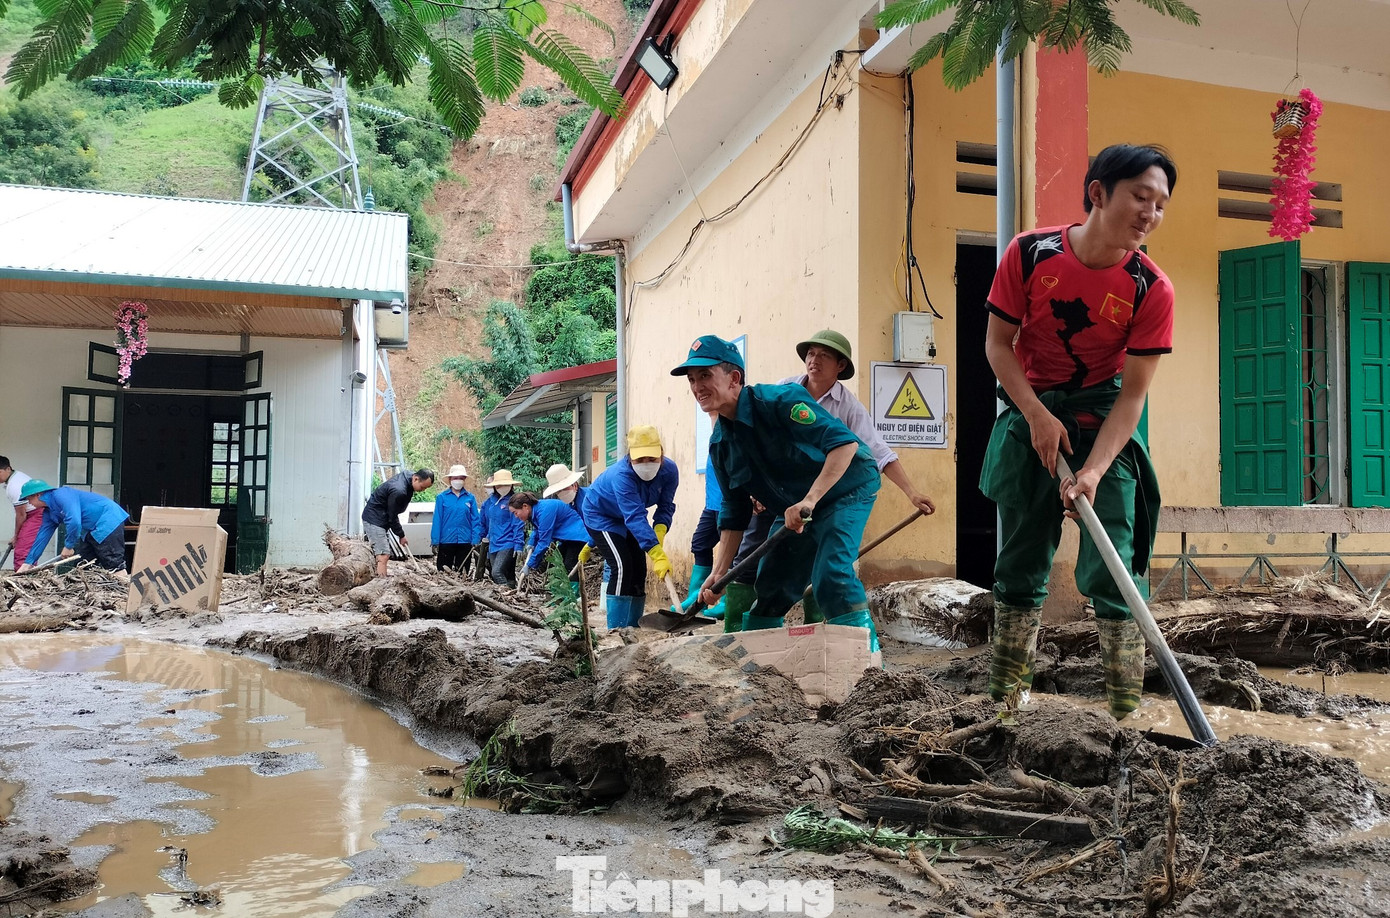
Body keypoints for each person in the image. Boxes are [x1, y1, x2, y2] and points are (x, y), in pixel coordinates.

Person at [980, 143, 1177, 720]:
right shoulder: (1029, 254)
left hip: (1103, 423)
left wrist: (1093, 470)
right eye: (1141, 197)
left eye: (1161, 204)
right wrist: (1035, 416)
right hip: (1032, 409)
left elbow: (1133, 396)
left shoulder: (1151, 288)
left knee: (1117, 569)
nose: (1151, 214)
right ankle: (1005, 705)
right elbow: (997, 345)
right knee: (1019, 565)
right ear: (1098, 193)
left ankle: (1125, 717)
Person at [672, 335, 881, 649]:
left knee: (831, 574)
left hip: (846, 488)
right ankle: (757, 660)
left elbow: (844, 444)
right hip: (795, 506)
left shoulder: (781, 401)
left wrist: (810, 500)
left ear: (734, 378)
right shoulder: (721, 445)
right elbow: (734, 512)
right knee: (771, 581)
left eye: (705, 375)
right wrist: (719, 572)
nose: (697, 386)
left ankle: (866, 661)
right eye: (691, 379)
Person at [777, 328, 937, 623]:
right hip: (792, 491)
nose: (814, 360)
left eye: (824, 356)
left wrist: (912, 493)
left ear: (840, 365)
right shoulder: (785, 391)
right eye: (811, 353)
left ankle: (841, 629)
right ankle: (771, 621)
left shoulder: (849, 407)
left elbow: (879, 452)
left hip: (837, 493)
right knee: (778, 561)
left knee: (831, 566)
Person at [582, 425, 678, 629]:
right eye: (639, 460)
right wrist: (656, 553)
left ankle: (633, 626)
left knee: (639, 567)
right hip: (601, 516)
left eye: (652, 458)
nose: (646, 464)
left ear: (661, 454)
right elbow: (635, 516)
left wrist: (660, 531)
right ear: (630, 457)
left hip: (627, 516)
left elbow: (666, 505)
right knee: (622, 564)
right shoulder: (622, 475)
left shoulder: (670, 471)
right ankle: (616, 628)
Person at [16, 480, 129, 573]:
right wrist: (28, 563)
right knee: (83, 566)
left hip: (107, 519)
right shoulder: (48, 512)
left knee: (113, 563)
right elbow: (42, 536)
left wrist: (68, 546)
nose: (29, 503)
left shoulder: (61, 494)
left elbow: (74, 521)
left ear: (38, 495)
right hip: (90, 529)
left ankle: (128, 591)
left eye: (29, 499)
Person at [677, 412, 727, 619]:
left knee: (733, 553)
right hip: (712, 503)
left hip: (729, 503)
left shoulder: (733, 432)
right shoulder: (714, 431)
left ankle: (728, 600)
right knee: (700, 544)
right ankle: (696, 598)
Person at [508, 491, 590, 589]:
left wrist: (529, 565)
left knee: (569, 565)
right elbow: (537, 529)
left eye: (515, 512)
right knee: (555, 565)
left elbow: (544, 542)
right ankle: (557, 594)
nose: (516, 516)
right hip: (566, 539)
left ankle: (573, 595)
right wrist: (531, 543)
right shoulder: (535, 511)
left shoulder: (545, 511)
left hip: (577, 536)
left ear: (525, 506)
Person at [362, 468, 435, 577]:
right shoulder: (399, 491)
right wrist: (401, 535)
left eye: (426, 488)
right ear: (415, 479)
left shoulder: (409, 477)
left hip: (382, 517)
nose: (423, 490)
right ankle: (381, 581)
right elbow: (392, 516)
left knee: (381, 552)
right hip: (375, 519)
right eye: (422, 487)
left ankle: (376, 575)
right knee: (383, 555)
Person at [479, 469, 525, 588]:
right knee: (500, 573)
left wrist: (518, 544)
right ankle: (510, 591)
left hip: (507, 543)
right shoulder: (491, 502)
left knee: (497, 572)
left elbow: (517, 524)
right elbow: (487, 523)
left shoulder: (514, 502)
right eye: (500, 485)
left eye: (506, 484)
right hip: (493, 543)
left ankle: (506, 594)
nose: (503, 487)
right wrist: (482, 539)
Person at [431, 464, 480, 573]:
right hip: (446, 540)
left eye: (461, 478)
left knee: (463, 571)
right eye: (455, 478)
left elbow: (475, 520)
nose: (458, 480)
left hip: (465, 540)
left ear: (464, 479)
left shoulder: (470, 498)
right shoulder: (442, 498)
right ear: (450, 480)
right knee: (443, 571)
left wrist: (475, 538)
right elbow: (437, 520)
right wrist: (435, 540)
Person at [0, 457, 44, 571]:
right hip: (31, 514)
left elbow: (21, 515)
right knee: (24, 546)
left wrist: (16, 536)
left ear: (8, 469)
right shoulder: (16, 476)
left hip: (36, 514)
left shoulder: (14, 485)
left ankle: (23, 577)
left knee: (23, 550)